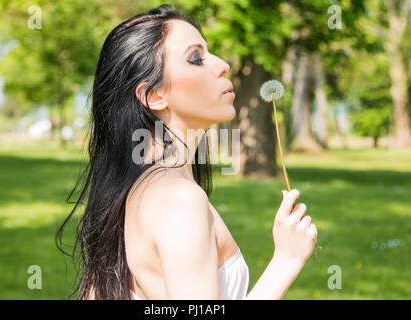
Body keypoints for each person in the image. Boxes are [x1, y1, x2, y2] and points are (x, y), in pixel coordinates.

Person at [56, 4, 318, 300]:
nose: (222, 65)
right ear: (155, 96)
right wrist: (285, 262)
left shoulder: (145, 188)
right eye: (196, 59)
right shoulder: (179, 200)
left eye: (209, 52)